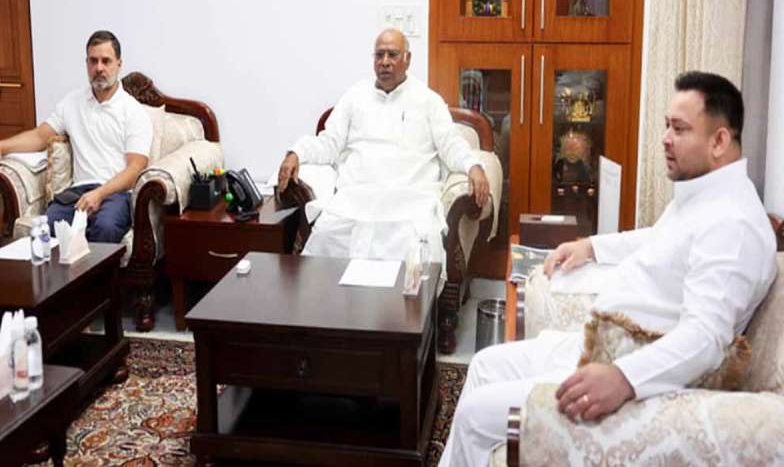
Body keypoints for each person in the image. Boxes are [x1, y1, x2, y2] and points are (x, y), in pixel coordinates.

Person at [439, 71, 778, 467]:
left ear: (719, 140)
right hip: (602, 345)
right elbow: (660, 239)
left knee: (477, 416)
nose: (666, 138)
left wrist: (624, 378)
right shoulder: (707, 195)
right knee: (484, 365)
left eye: (680, 129)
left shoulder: (734, 226)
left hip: (632, 369)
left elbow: (705, 338)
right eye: (667, 125)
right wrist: (592, 247)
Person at [277, 29, 490, 263]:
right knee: (325, 238)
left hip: (409, 202)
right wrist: (297, 153)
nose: (385, 62)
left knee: (415, 249)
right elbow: (329, 142)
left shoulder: (428, 100)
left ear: (407, 59)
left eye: (392, 55)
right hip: (356, 201)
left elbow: (451, 144)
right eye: (379, 55)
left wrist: (473, 166)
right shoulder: (354, 96)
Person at [0, 30, 152, 244]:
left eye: (106, 61)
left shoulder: (133, 111)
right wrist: (0, 146)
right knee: (47, 228)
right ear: (86, 63)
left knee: (106, 227)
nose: (99, 68)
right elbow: (40, 136)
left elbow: (135, 169)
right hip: (77, 193)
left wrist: (100, 194)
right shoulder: (72, 102)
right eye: (93, 61)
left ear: (119, 64)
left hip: (115, 194)